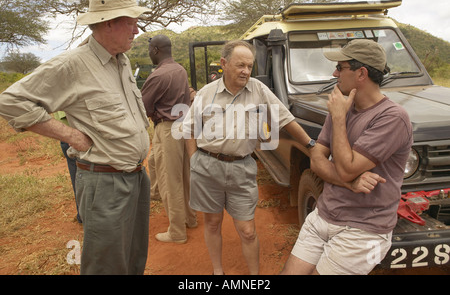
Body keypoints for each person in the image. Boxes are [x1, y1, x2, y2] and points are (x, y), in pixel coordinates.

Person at [0, 0, 152, 275]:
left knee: (134, 259)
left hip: (136, 177)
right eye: (131, 23)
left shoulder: (121, 60)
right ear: (109, 23)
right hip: (104, 183)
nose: (136, 31)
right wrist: (68, 135)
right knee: (106, 266)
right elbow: (11, 101)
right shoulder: (73, 64)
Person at [281, 39, 413, 275]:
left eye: (340, 67)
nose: (334, 73)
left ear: (361, 73)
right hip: (324, 214)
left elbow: (347, 168)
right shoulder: (342, 107)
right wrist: (349, 183)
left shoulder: (392, 117)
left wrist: (339, 119)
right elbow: (316, 159)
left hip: (363, 229)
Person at [183, 40, 314, 275]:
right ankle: (218, 271)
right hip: (207, 167)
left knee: (248, 230)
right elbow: (189, 129)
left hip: (242, 168)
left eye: (249, 66)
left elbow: (285, 118)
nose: (245, 71)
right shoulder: (206, 93)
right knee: (212, 223)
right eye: (240, 65)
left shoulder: (258, 90)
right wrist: (194, 161)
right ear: (224, 64)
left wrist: (310, 145)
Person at [141, 35, 197, 244]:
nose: (149, 53)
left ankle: (177, 232)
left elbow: (143, 108)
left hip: (167, 128)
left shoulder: (158, 75)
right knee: (184, 176)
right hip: (183, 127)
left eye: (149, 50)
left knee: (169, 180)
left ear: (155, 50)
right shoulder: (180, 69)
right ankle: (190, 219)